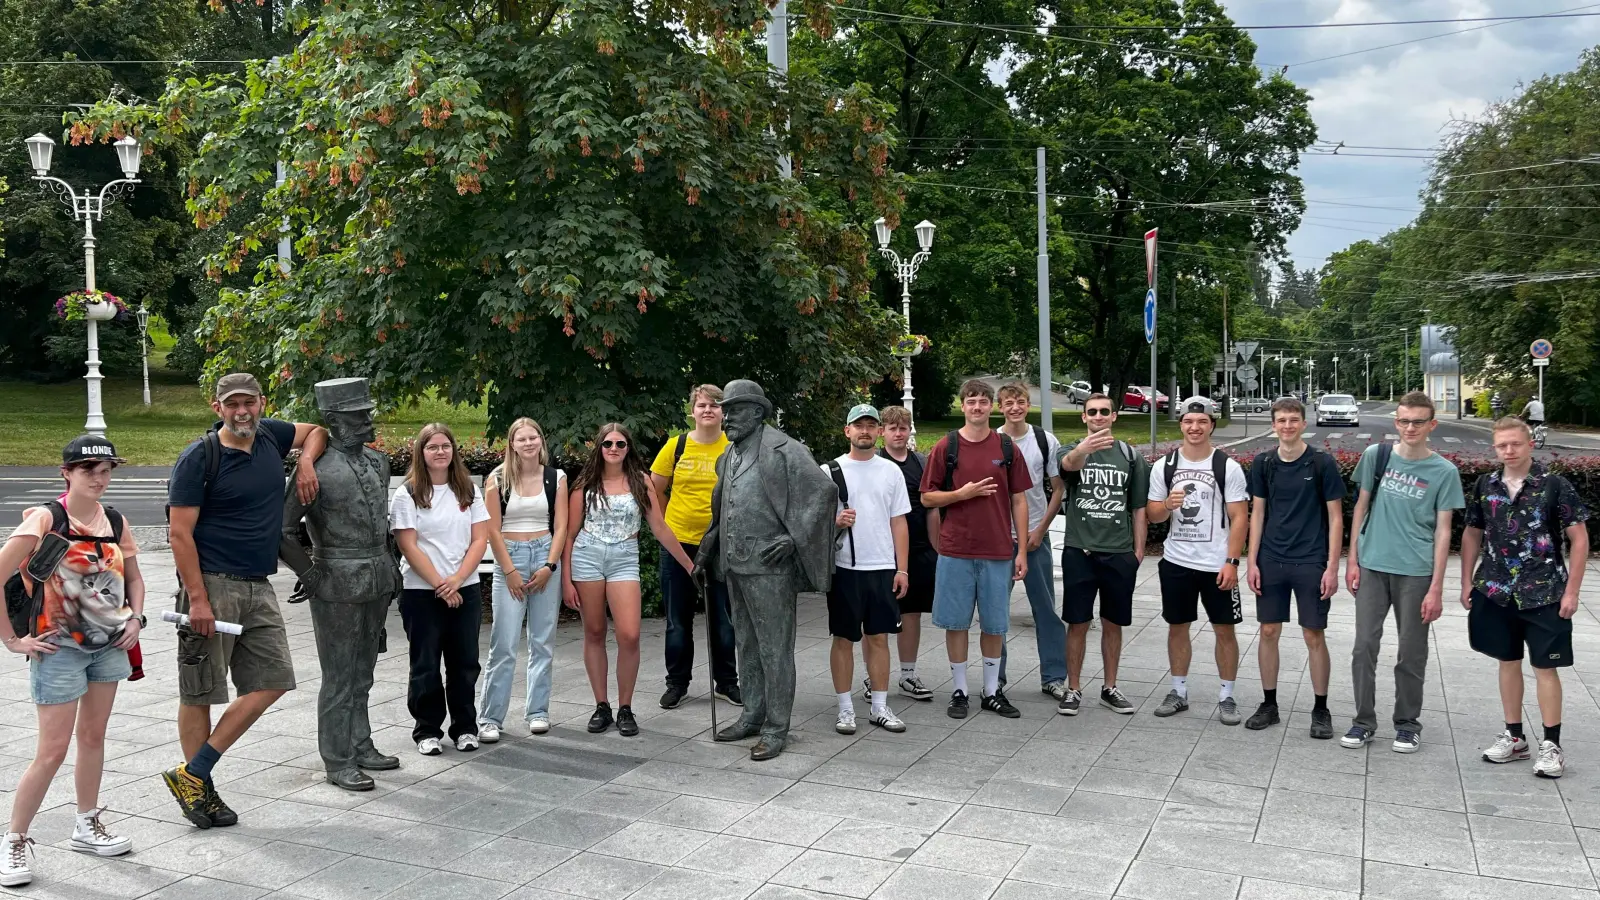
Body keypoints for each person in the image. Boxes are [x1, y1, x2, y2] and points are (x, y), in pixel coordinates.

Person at [163, 373, 325, 830]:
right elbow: (179, 534)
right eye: (232, 404)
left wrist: (306, 463)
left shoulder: (272, 436)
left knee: (272, 683)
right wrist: (197, 600)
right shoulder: (200, 457)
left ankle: (192, 774)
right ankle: (202, 792)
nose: (242, 411)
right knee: (201, 692)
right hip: (211, 585)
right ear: (217, 408)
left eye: (249, 403)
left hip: (258, 585)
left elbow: (316, 431)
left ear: (261, 403)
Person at [0, 437, 143, 886]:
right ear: (67, 472)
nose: (100, 480)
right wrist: (11, 640)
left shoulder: (115, 520)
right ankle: (15, 840)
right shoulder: (47, 518)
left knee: (94, 737)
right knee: (52, 751)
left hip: (108, 646)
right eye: (89, 471)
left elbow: (134, 578)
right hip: (58, 648)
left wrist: (136, 618)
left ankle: (86, 823)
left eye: (106, 471)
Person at [695, 380, 836, 761]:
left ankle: (777, 727)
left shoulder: (785, 449)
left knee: (775, 649)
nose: (726, 419)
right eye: (725, 411)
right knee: (747, 643)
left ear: (757, 412)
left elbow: (823, 493)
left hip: (770, 566)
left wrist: (794, 538)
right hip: (734, 564)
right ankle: (752, 714)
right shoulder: (729, 457)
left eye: (735, 411)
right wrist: (706, 551)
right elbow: (723, 510)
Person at [279, 378, 403, 791]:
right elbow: (282, 530)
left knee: (364, 670)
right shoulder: (314, 471)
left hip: (377, 576)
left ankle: (361, 742)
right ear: (334, 420)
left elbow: (381, 523)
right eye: (358, 415)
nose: (368, 420)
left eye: (368, 412)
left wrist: (392, 566)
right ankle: (337, 758)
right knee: (339, 675)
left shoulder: (379, 462)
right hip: (335, 579)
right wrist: (310, 572)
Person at [1461, 418, 1589, 778]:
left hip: (1545, 591)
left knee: (1545, 667)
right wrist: (1465, 580)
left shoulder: (1554, 486)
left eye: (1516, 444)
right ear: (1495, 447)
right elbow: (1472, 532)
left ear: (1530, 443)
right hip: (1497, 590)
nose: (1509, 451)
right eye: (1502, 445)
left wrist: (1572, 591)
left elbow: (1578, 538)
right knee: (1507, 661)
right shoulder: (1485, 485)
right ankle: (1514, 737)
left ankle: (1552, 744)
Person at [1345, 391, 1464, 753]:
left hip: (1416, 572)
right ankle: (1363, 720)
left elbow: (1444, 531)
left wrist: (1437, 587)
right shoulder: (1375, 456)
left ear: (1432, 424)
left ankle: (1407, 723)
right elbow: (1360, 509)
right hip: (1372, 567)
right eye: (1404, 421)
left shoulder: (1444, 472)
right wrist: (1352, 560)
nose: (1410, 427)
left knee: (1411, 652)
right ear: (1396, 422)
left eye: (1418, 421)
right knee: (1364, 646)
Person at [564, 423, 695, 737]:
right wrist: (566, 580)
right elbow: (569, 534)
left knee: (630, 634)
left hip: (624, 556)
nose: (613, 449)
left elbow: (660, 528)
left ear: (628, 448)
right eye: (607, 444)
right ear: (599, 447)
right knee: (594, 632)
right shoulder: (585, 484)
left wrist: (690, 565)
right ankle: (601, 705)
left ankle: (625, 707)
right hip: (588, 556)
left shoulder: (640, 482)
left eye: (620, 444)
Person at [919, 379, 1032, 720]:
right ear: (963, 406)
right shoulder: (946, 446)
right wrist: (960, 494)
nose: (978, 407)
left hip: (998, 550)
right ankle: (959, 689)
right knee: (956, 623)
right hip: (957, 550)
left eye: (984, 401)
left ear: (992, 406)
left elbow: (1019, 499)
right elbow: (927, 497)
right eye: (972, 401)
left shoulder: (1006, 447)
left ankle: (991, 690)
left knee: (994, 625)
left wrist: (1022, 550)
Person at [1245, 397, 1345, 738]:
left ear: (1304, 423)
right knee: (1268, 631)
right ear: (1273, 425)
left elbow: (1335, 518)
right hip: (1271, 559)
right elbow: (1257, 513)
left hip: (1311, 561)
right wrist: (1251, 560)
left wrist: (1332, 567)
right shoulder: (1263, 463)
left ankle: (1321, 710)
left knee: (1312, 635)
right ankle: (1269, 705)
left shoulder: (1321, 463)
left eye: (1293, 419)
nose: (1287, 425)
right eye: (1281, 420)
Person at [1145, 398, 1249, 724]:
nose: (1195, 427)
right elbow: (1152, 514)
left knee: (1225, 630)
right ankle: (1178, 690)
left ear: (1211, 425)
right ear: (1181, 425)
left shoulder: (1226, 467)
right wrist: (1167, 503)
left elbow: (1240, 517)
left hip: (1216, 563)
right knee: (1178, 626)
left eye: (1202, 422)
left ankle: (1227, 695)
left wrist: (1232, 561)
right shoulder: (1165, 466)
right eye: (1189, 421)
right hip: (1177, 560)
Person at [391, 423, 490, 756]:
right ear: (421, 452)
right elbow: (409, 545)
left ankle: (464, 728)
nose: (439, 452)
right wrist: (440, 584)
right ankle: (427, 730)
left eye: (445, 446)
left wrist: (458, 580)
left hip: (466, 589)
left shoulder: (468, 491)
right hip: (422, 592)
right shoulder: (408, 493)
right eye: (432, 447)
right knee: (426, 663)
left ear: (453, 450)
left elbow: (480, 539)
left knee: (465, 663)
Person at [1055, 393, 1149, 715]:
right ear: (1084, 417)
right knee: (1078, 622)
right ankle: (1074, 688)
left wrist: (1137, 552)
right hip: (1079, 551)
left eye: (1103, 412)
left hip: (1119, 554)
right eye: (1091, 412)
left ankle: (1110, 687)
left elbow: (1138, 508)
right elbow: (1069, 466)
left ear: (1114, 416)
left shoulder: (1130, 456)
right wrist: (1085, 446)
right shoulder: (1071, 450)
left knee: (1113, 623)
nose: (1097, 416)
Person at [650, 385, 740, 709]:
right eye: (702, 405)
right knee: (677, 620)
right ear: (693, 411)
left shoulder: (733, 448)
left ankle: (727, 683)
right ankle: (677, 683)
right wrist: (664, 527)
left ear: (723, 412)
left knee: (724, 619)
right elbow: (655, 490)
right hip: (678, 545)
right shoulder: (676, 447)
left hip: (719, 544)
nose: (708, 410)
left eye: (715, 406)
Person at [823, 405, 911, 735]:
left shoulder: (891, 472)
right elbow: (812, 522)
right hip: (845, 567)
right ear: (847, 431)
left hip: (882, 567)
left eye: (870, 425)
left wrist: (902, 569)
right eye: (857, 425)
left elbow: (899, 521)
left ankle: (879, 706)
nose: (864, 430)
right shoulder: (829, 471)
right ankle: (845, 709)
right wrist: (834, 521)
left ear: (878, 431)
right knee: (843, 638)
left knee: (879, 638)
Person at [479, 418, 568, 739]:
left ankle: (538, 711)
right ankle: (490, 718)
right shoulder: (497, 479)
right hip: (510, 558)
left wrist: (549, 566)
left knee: (542, 641)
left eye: (534, 437)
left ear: (541, 442)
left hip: (545, 555)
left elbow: (561, 526)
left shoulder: (556, 478)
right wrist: (510, 571)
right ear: (512, 444)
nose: (528, 443)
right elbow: (491, 529)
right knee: (503, 644)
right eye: (522, 439)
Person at [995, 381, 1066, 701]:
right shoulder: (991, 440)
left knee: (1046, 610)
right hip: (997, 541)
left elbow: (1058, 489)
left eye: (1020, 401)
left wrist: (1040, 531)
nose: (1014, 407)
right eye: (1008, 402)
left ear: (1028, 404)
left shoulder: (1043, 440)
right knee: (996, 613)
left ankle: (1053, 676)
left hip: (1036, 538)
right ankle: (994, 678)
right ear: (1000, 407)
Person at [876, 406, 939, 700]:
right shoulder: (876, 463)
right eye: (893, 428)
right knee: (877, 617)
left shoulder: (921, 463)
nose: (899, 434)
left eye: (903, 428)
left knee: (911, 614)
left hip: (918, 550)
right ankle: (873, 676)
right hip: (881, 553)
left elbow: (931, 508)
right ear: (882, 432)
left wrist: (935, 548)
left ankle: (908, 675)